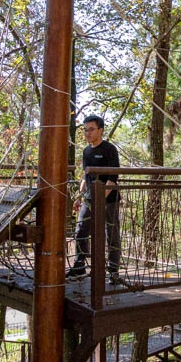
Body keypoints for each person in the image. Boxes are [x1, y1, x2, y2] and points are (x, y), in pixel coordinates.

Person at [69, 114, 121, 279]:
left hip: (109, 200)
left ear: (100, 130)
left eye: (91, 129)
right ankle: (79, 266)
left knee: (111, 233)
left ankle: (113, 271)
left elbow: (113, 179)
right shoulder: (86, 151)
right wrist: (79, 197)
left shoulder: (109, 149)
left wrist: (102, 198)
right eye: (85, 130)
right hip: (89, 200)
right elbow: (86, 177)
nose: (87, 133)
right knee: (80, 231)